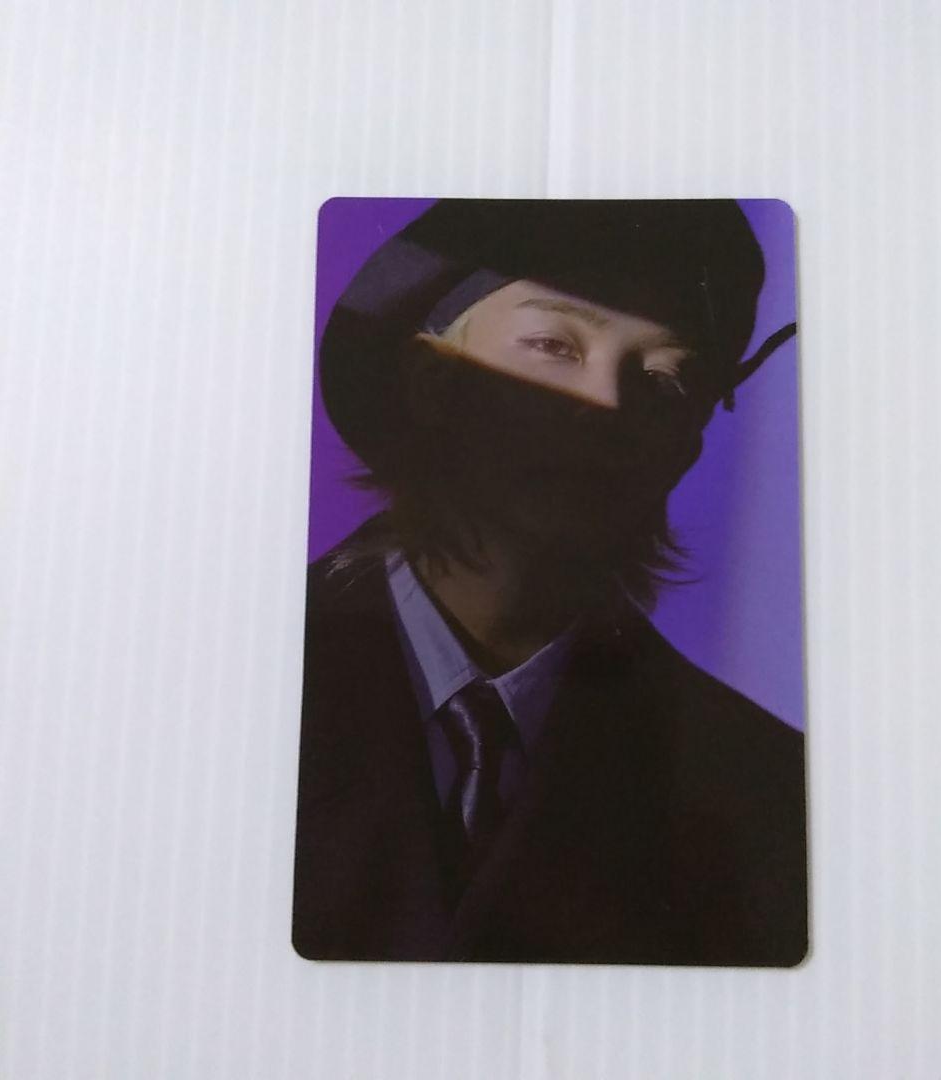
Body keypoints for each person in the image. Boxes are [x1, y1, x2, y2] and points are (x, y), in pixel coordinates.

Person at [292, 199, 808, 966]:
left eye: (665, 379)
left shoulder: (760, 785)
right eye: (553, 345)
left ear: (686, 446)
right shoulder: (238, 680)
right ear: (430, 377)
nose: (606, 405)